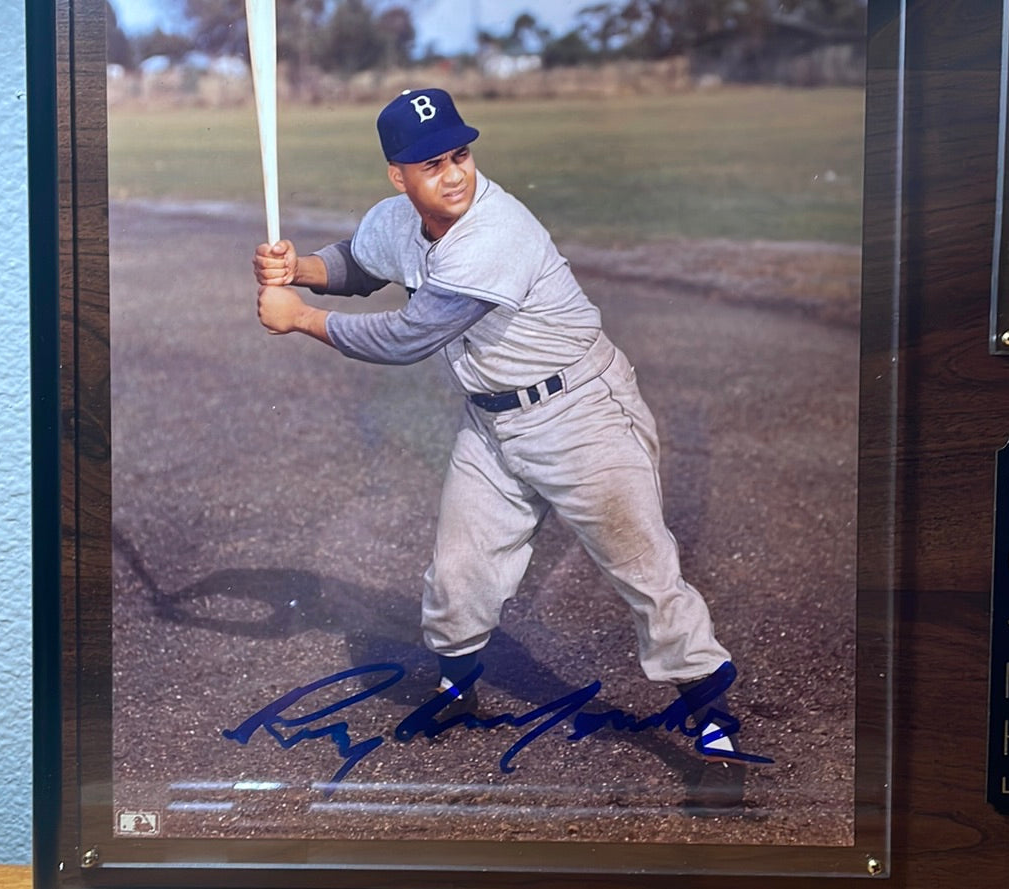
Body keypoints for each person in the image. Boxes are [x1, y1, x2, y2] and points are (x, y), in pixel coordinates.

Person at [252, 88, 755, 802]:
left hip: (581, 412)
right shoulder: (398, 218)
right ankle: (459, 691)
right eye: (433, 163)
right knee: (458, 573)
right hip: (492, 420)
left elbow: (407, 335)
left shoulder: (496, 230)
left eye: (461, 153)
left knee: (644, 574)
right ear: (399, 174)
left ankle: (718, 731)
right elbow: (363, 264)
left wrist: (299, 318)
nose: (455, 172)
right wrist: (297, 267)